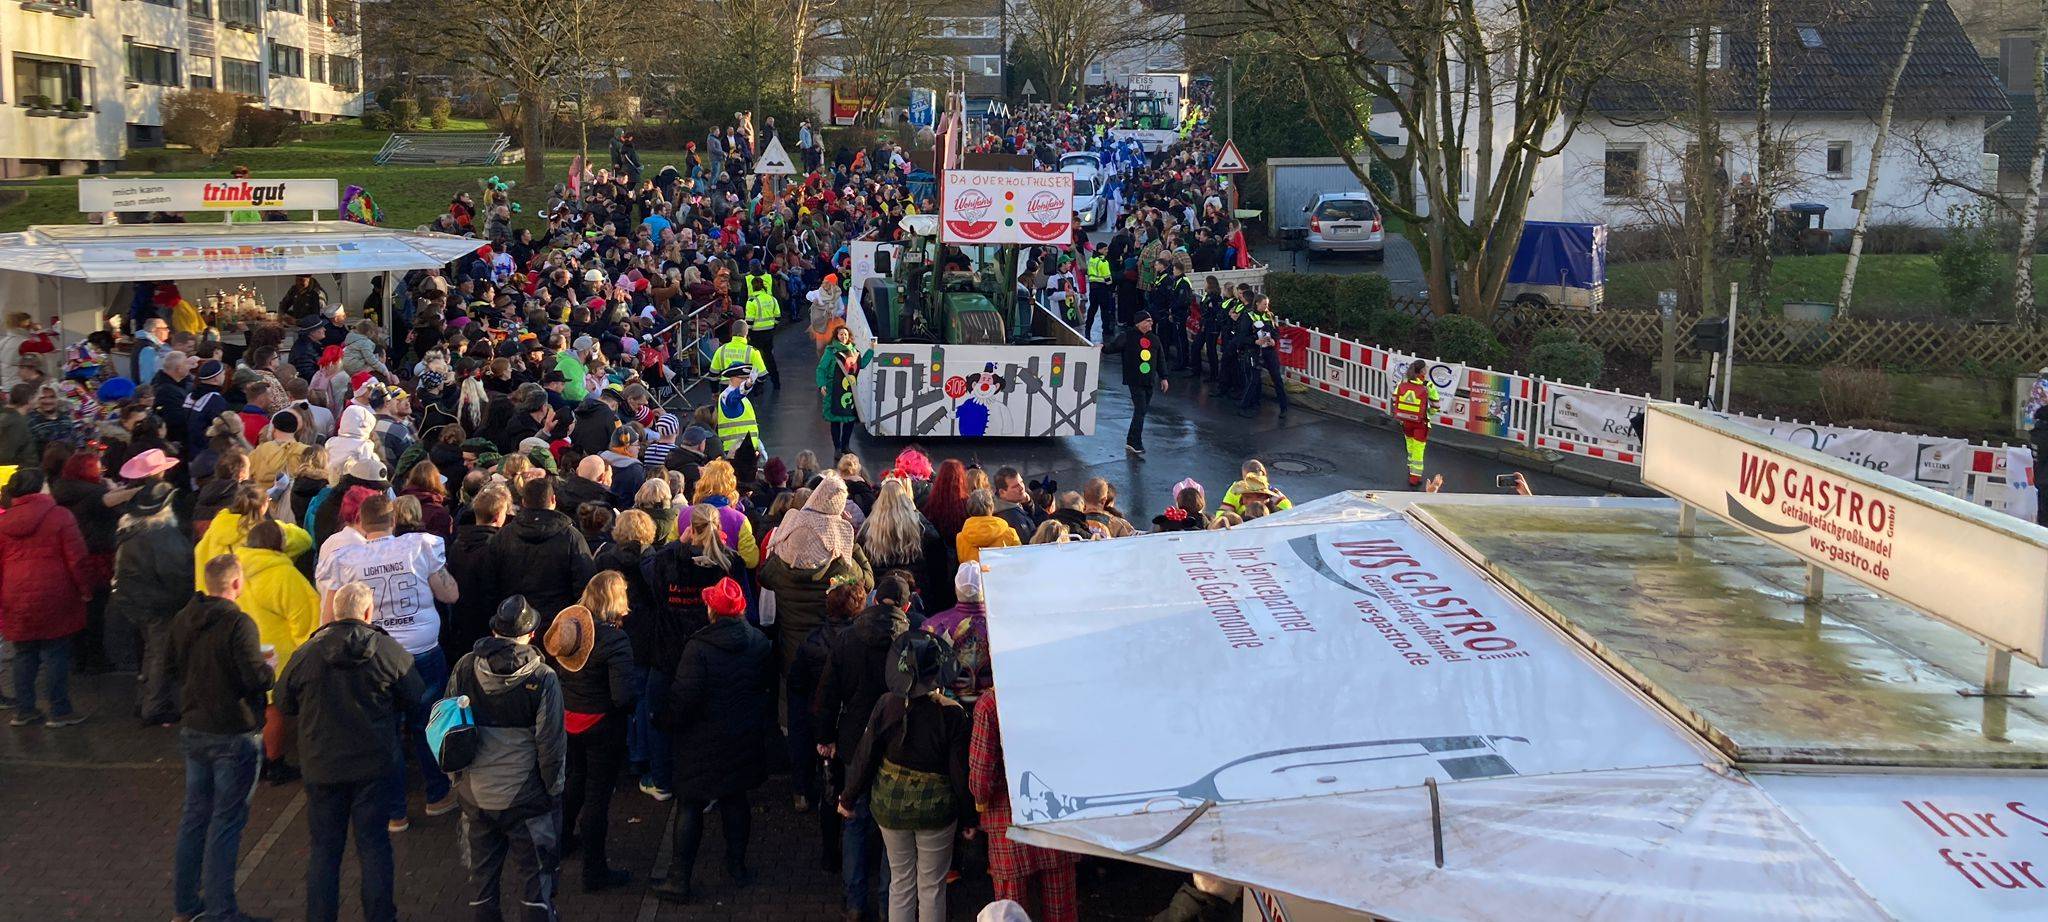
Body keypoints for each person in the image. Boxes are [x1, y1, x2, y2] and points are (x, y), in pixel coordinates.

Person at [314, 494, 461, 831]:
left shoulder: (346, 559)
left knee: (386, 732)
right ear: (393, 521)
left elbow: (330, 617)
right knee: (427, 724)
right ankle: (437, 796)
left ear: (361, 524)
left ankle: (395, 812)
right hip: (422, 651)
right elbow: (449, 594)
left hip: (374, 655)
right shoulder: (418, 548)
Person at [278, 580, 419, 922]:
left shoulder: (307, 654)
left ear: (335, 612)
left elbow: (284, 701)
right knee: (373, 847)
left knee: (325, 851)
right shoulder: (388, 652)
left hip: (322, 765)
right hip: (374, 765)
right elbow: (415, 695)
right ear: (368, 612)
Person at [167, 553, 275, 922]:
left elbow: (169, 667)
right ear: (235, 584)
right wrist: (269, 670)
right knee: (226, 822)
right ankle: (221, 911)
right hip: (233, 732)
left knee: (194, 817)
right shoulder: (238, 624)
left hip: (194, 727)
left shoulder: (184, 618)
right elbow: (254, 678)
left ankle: (185, 905)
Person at [446, 595, 569, 922]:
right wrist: (552, 792)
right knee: (536, 882)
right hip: (526, 800)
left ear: (494, 631)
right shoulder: (543, 678)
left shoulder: (465, 666)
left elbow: (446, 728)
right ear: (531, 635)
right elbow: (551, 746)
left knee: (482, 885)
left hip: (475, 795)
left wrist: (457, 781)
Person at [839, 630, 975, 922]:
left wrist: (848, 798)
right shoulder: (953, 714)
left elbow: (865, 755)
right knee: (932, 887)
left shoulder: (887, 704)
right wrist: (968, 818)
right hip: (937, 813)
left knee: (900, 882)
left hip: (890, 808)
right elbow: (959, 773)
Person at [653, 576, 771, 904]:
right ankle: (737, 866)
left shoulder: (699, 648)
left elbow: (684, 698)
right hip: (742, 736)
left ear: (711, 610)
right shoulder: (759, 643)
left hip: (701, 739)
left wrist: (664, 721)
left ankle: (679, 878)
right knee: (735, 799)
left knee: (689, 803)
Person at [817, 573, 914, 920]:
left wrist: (825, 736)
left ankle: (855, 902)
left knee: (854, 819)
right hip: (898, 742)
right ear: (907, 605)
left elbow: (828, 694)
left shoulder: (847, 638)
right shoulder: (910, 640)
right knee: (893, 826)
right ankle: (890, 903)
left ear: (874, 601)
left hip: (854, 738)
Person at [636, 502, 741, 800]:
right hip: (708, 650)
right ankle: (705, 786)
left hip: (668, 651)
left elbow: (648, 572)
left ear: (688, 529)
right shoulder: (726, 562)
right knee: (706, 720)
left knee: (658, 715)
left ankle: (662, 780)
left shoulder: (669, 560)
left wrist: (676, 544)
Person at [542, 573, 638, 892]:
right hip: (601, 725)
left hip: (570, 719)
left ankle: (563, 839)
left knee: (574, 780)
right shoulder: (615, 641)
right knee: (598, 794)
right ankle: (595, 871)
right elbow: (622, 695)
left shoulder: (571, 629)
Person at [969, 688, 1077, 922]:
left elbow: (980, 780)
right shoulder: (1056, 692)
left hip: (1007, 822)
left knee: (1009, 911)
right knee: (1061, 909)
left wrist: (980, 803)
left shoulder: (989, 704)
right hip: (1056, 815)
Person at [0, 468, 92, 727]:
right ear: (41, 488)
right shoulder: (60, 516)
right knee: (56, 653)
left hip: (15, 595)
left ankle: (25, 710)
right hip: (56, 593)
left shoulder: (3, 522)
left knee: (23, 653)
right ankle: (60, 711)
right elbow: (77, 559)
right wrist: (85, 589)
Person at [235, 521, 319, 784]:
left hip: (242, 649)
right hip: (276, 654)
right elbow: (306, 619)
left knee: (249, 710)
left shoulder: (235, 565)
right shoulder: (284, 575)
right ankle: (274, 764)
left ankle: (251, 761)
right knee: (274, 711)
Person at [111, 473, 193, 725]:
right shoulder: (163, 536)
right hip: (160, 604)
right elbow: (179, 575)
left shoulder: (130, 531)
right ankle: (154, 706)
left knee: (151, 650)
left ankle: (145, 698)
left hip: (136, 603)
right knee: (159, 653)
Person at [486, 477, 596, 632]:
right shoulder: (571, 537)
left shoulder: (504, 535)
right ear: (553, 500)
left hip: (514, 621)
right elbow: (585, 583)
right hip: (556, 624)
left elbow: (490, 581)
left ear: (524, 502)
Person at [1109, 310, 1169, 455]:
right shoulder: (1128, 336)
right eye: (1148, 321)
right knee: (1140, 409)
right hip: (1134, 380)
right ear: (1140, 322)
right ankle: (1135, 442)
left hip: (1149, 380)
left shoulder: (1154, 339)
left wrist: (1164, 377)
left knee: (1142, 411)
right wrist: (1101, 348)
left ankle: (1131, 440)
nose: (1151, 324)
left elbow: (1160, 359)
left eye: (1151, 321)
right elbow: (1113, 347)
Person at [818, 325, 870, 457]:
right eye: (841, 334)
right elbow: (821, 368)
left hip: (848, 391)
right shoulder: (831, 351)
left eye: (845, 334)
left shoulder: (854, 351)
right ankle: (837, 448)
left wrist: (872, 350)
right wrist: (821, 384)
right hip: (834, 390)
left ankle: (845, 446)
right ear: (836, 336)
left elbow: (862, 364)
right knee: (835, 420)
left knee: (849, 419)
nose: (843, 337)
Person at [1235, 296, 1287, 420]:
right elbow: (1242, 337)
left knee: (1277, 378)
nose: (1266, 307)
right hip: (1255, 351)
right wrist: (1255, 341)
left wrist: (1274, 340)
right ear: (1257, 303)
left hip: (1269, 350)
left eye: (1267, 304)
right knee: (1254, 380)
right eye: (1264, 304)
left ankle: (1284, 407)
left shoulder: (1268, 316)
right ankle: (1245, 406)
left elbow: (1275, 332)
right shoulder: (1248, 316)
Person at [1392, 360, 1440, 489]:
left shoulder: (1402, 382)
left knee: (1410, 445)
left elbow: (1395, 398)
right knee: (1418, 450)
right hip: (1420, 422)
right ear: (1423, 371)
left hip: (1405, 421)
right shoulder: (1427, 385)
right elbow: (1436, 404)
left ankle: (1410, 468)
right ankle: (1414, 478)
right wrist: (1429, 412)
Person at [955, 488, 1020, 565]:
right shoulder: (1010, 533)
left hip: (976, 576)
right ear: (992, 507)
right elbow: (1019, 560)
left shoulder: (960, 538)